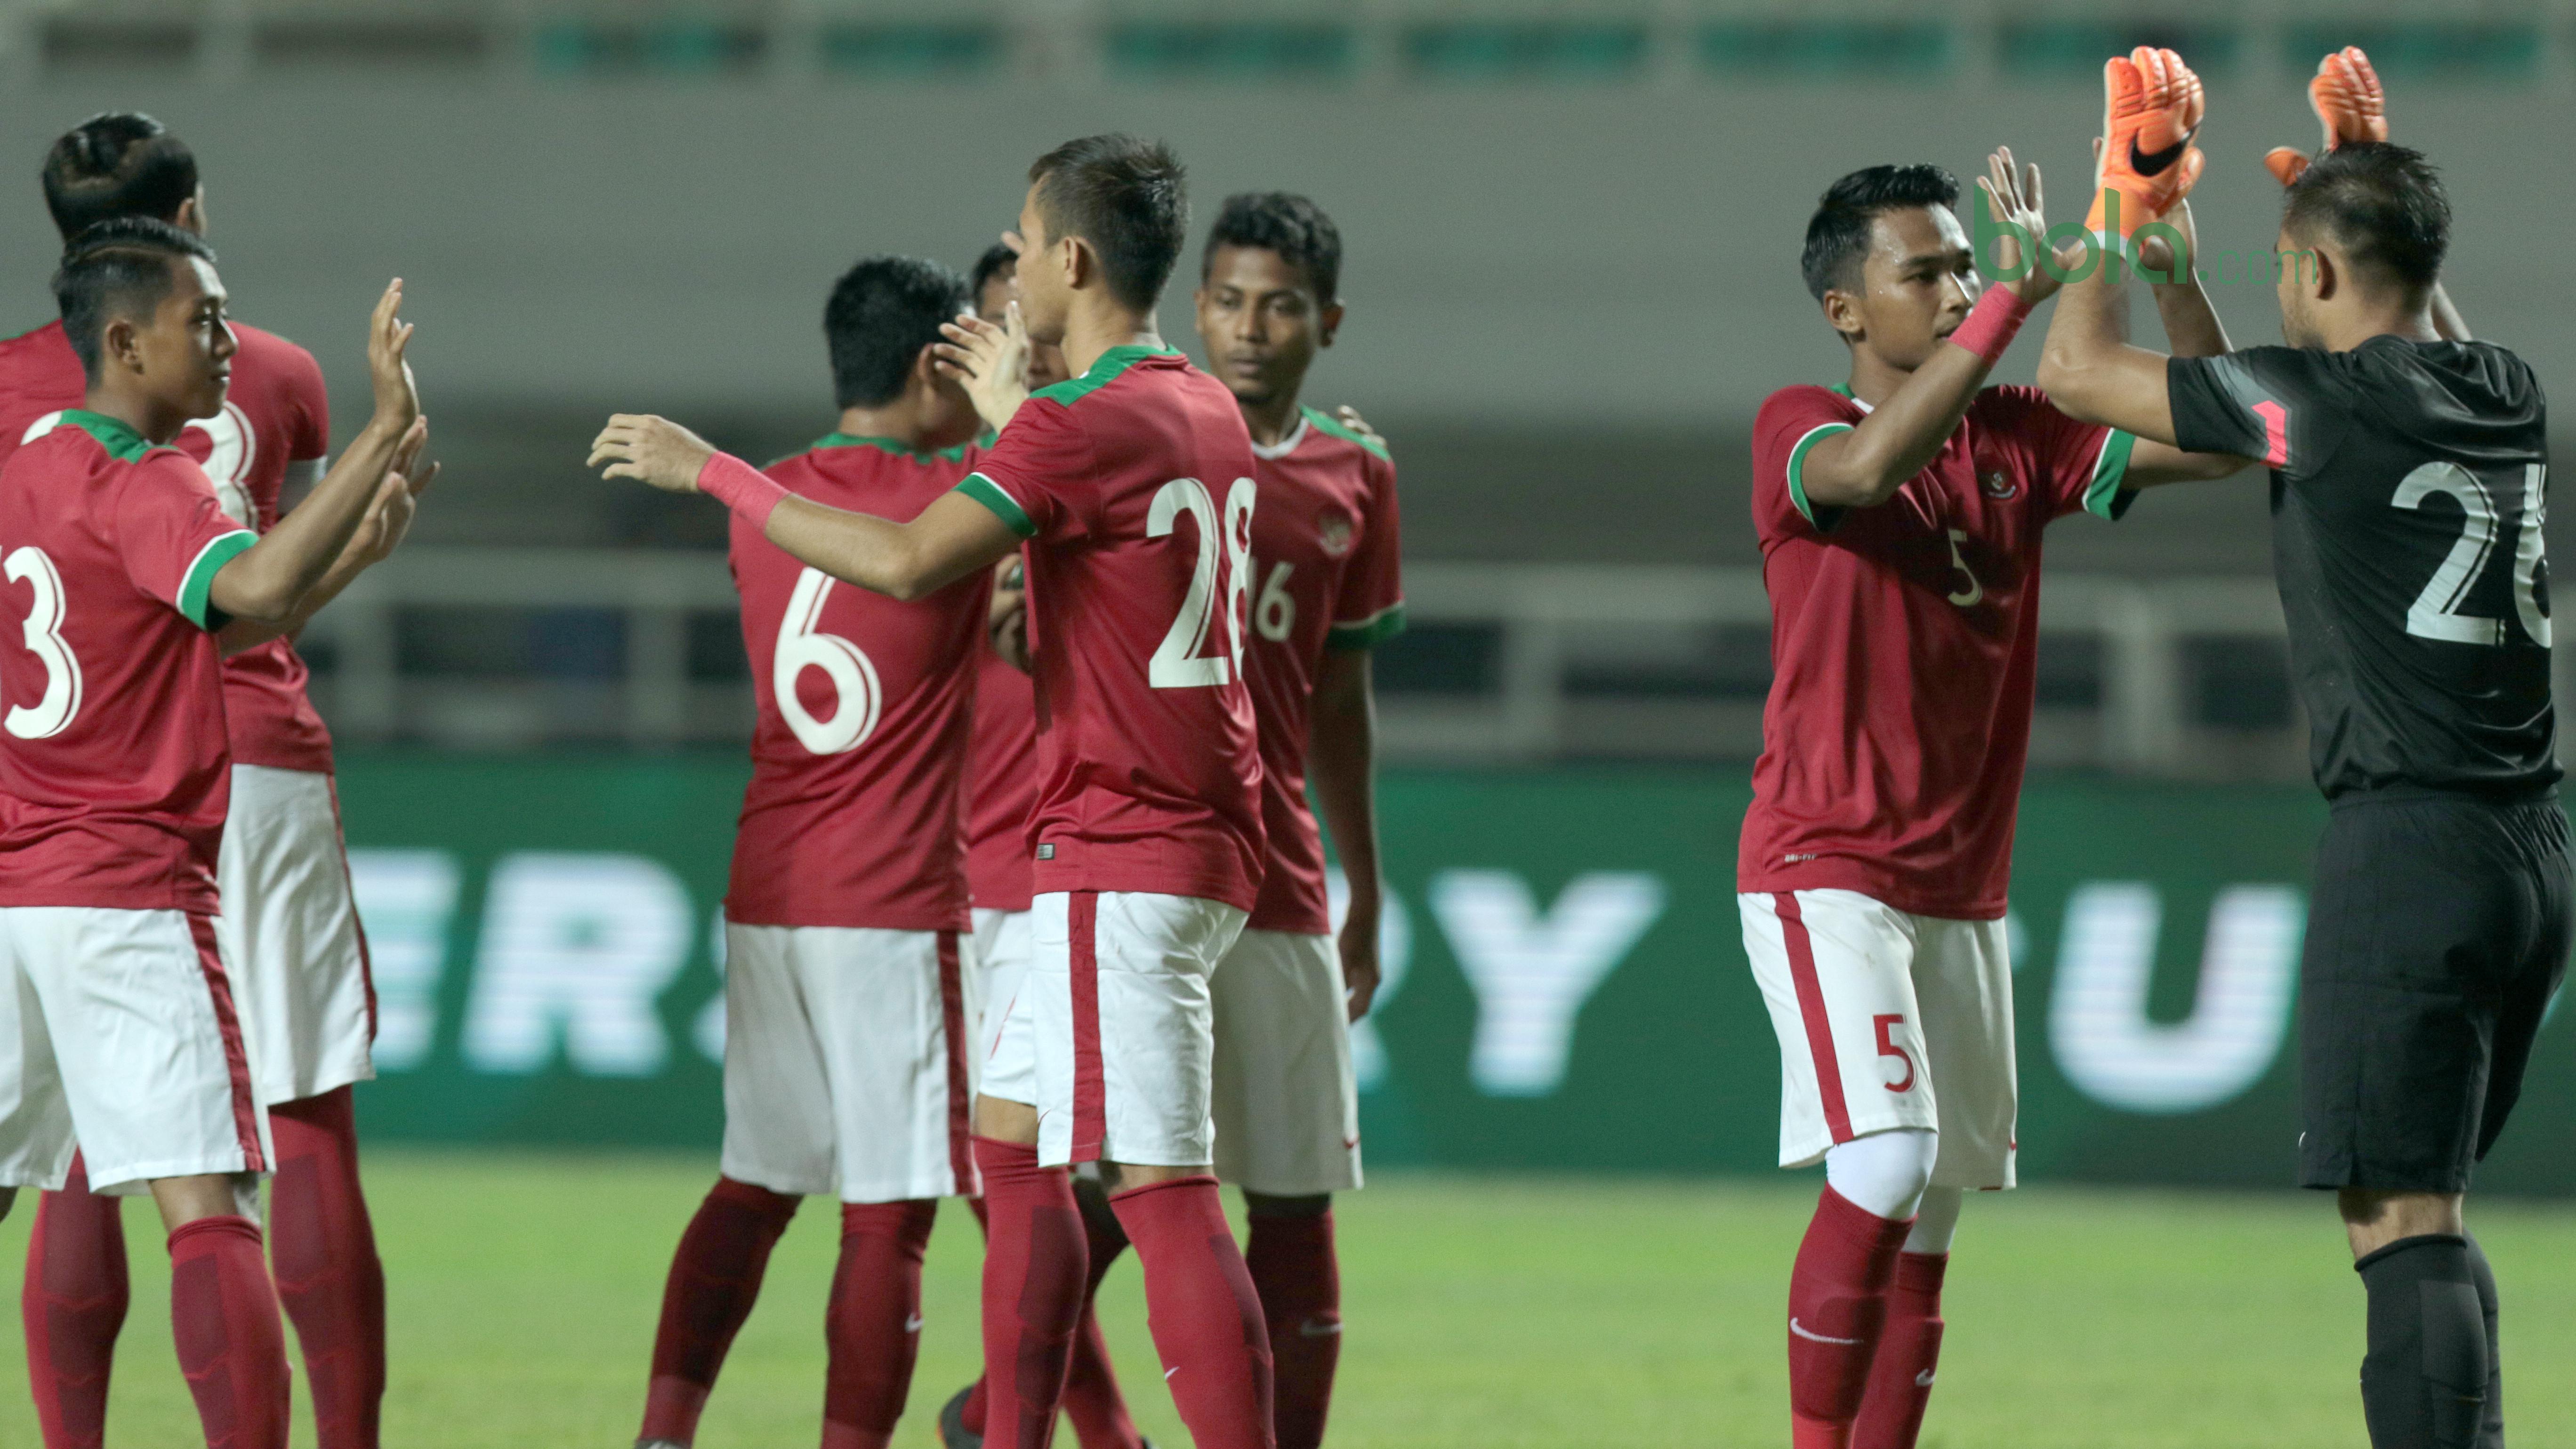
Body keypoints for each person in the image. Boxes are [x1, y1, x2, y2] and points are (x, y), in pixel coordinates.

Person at [591, 133, 1275, 1449]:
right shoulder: (1202, 409)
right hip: (1171, 838)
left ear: (1072, 259)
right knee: (1013, 1154)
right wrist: (1026, 410)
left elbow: (907, 560)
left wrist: (716, 472)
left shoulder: (1082, 426)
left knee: (1163, 1189)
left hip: (1118, 845)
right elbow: (1103, 543)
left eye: (1022, 242)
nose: (1010, 264)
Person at [2037, 48, 2559, 1449]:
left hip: (2413, 844)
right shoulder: (2503, 386)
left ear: (2318, 281)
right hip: (2529, 849)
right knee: (2429, 1201)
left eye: (2286, 270)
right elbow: (2325, 371)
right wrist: (2354, 181)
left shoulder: (2317, 406)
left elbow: (2073, 373)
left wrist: (2116, 192)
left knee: (2396, 1215)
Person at [1740, 51, 2243, 1449]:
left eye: (1967, 266)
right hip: (1824, 867)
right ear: (1845, 307)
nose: (1961, 287)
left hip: (1960, 888)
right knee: (1887, 1156)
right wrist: (2026, 295)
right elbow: (1868, 473)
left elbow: (2227, 432)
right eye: (1930, 274)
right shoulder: (1805, 425)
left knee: (1936, 1206)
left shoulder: (2020, 436)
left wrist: (2136, 233)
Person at [0, 113, 402, 1449]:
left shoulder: (33, 447)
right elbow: (256, 587)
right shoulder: (171, 451)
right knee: (229, 1169)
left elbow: (168, 615)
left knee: (61, 1160)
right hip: (152, 846)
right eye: (204, 322)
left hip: (20, 852)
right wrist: (381, 438)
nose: (226, 352)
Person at [630, 256, 996, 1449]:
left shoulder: (769, 501)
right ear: (938, 363)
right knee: (890, 1218)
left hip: (770, 887)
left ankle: (663, 1431)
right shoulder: (963, 493)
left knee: (754, 1185)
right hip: (892, 901)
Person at [942, 246, 1153, 1449]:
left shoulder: (1104, 450)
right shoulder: (963, 478)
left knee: (1123, 1177)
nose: (1011, 342)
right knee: (1049, 1183)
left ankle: (1012, 1417)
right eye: (989, 326)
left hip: (1098, 854)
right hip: (990, 868)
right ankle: (1049, 1422)